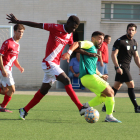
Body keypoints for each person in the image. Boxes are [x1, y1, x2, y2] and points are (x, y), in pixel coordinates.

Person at [6, 13, 96, 120]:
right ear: (67, 23)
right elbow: (37, 25)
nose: (74, 30)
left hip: (55, 64)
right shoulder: (55, 27)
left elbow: (74, 48)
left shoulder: (70, 34)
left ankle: (24, 110)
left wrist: (89, 54)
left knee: (44, 91)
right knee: (67, 80)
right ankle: (80, 107)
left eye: (75, 28)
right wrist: (18, 21)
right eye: (73, 27)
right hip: (48, 63)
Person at [79, 31, 121, 122]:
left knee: (104, 96)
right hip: (89, 77)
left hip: (88, 77)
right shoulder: (89, 44)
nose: (101, 41)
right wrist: (69, 52)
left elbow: (94, 69)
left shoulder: (94, 49)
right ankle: (109, 116)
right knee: (110, 92)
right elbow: (76, 44)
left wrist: (101, 75)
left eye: (102, 39)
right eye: (99, 38)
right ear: (93, 39)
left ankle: (85, 106)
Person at [102, 23, 140, 113]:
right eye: (129, 29)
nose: (130, 31)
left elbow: (136, 56)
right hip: (121, 67)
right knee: (131, 84)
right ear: (127, 30)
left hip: (127, 66)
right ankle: (136, 107)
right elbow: (113, 55)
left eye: (132, 30)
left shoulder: (134, 42)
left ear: (135, 31)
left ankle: (105, 106)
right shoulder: (120, 41)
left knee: (116, 86)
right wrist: (117, 67)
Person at [0, 24, 25, 112]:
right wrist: (3, 69)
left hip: (8, 69)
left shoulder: (18, 45)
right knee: (12, 89)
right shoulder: (8, 42)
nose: (21, 34)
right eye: (19, 31)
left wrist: (19, 67)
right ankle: (2, 107)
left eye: (22, 32)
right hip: (4, 69)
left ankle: (2, 106)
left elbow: (14, 59)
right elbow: (0, 55)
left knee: (5, 91)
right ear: (14, 32)